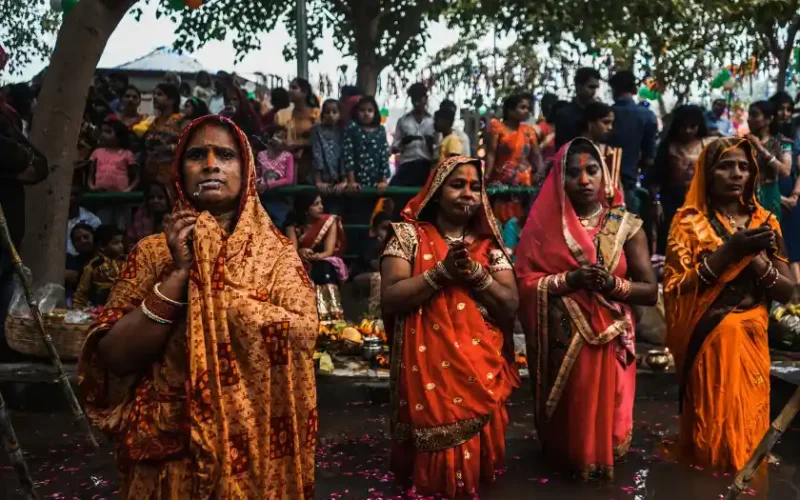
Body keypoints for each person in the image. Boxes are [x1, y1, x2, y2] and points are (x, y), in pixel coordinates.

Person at [78, 115, 319, 498]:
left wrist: (216, 292)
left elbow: (304, 334)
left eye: (225, 154)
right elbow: (113, 356)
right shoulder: (152, 254)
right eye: (196, 155)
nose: (210, 164)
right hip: (167, 456)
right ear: (180, 170)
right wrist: (180, 275)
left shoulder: (277, 258)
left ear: (247, 170)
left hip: (254, 454)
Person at [515, 138, 658, 480]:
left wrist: (613, 286)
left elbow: (650, 291)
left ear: (605, 175)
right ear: (559, 180)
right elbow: (524, 282)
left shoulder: (626, 225)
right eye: (574, 173)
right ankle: (571, 460)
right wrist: (572, 279)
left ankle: (599, 460)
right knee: (573, 415)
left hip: (612, 334)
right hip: (565, 338)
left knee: (609, 412)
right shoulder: (542, 227)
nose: (584, 180)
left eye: (592, 170)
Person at [380, 155, 521, 498]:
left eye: (475, 186)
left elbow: (509, 304)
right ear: (436, 192)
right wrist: (439, 274)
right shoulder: (408, 236)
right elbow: (392, 297)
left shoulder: (489, 246)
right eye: (457, 185)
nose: (467, 193)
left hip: (479, 364)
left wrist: (476, 274)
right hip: (429, 369)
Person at [663, 137, 796, 472]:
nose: (736, 173)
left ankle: (747, 476)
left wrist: (754, 261)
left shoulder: (766, 221)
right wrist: (728, 252)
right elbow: (674, 286)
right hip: (710, 338)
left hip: (753, 333)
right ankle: (708, 482)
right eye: (725, 165)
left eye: (743, 166)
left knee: (749, 419)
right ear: (708, 172)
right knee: (713, 428)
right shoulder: (688, 222)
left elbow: (788, 291)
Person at [647, 105, 709, 255]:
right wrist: (656, 202)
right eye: (683, 126)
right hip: (672, 200)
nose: (687, 131)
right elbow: (655, 178)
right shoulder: (668, 146)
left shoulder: (707, 145)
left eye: (692, 126)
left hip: (700, 200)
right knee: (670, 241)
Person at [285, 193, 348, 323]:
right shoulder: (292, 224)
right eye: (316, 204)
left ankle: (331, 317)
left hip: (322, 259)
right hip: (299, 259)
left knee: (325, 269)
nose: (321, 207)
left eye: (321, 203)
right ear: (305, 209)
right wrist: (301, 252)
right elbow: (293, 250)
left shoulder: (329, 221)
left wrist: (314, 256)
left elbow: (329, 251)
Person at [485, 92, 544, 223]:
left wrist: (540, 174)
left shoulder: (529, 131)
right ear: (510, 110)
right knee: (500, 217)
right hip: (500, 181)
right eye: (522, 107)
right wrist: (486, 177)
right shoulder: (497, 128)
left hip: (523, 182)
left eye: (528, 108)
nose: (527, 111)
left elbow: (537, 155)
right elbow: (491, 153)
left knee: (520, 218)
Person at [607, 70, 658, 212]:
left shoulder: (603, 115)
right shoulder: (647, 116)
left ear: (613, 90)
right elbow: (649, 159)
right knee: (627, 229)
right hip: (628, 185)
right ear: (634, 90)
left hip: (601, 184)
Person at [746, 100, 792, 220]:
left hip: (769, 195)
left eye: (754, 115)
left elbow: (785, 171)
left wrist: (760, 149)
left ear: (769, 119)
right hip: (746, 195)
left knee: (770, 233)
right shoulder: (743, 141)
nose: (748, 119)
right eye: (749, 114)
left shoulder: (782, 142)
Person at [136, 83, 183, 188]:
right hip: (151, 172)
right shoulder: (152, 121)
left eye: (159, 94)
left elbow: (187, 145)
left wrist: (168, 148)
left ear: (172, 100)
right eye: (154, 94)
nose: (155, 97)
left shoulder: (180, 120)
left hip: (172, 173)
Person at [391, 82, 436, 186]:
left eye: (419, 99)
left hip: (426, 166)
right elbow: (393, 148)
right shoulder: (403, 121)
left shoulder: (433, 122)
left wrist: (431, 145)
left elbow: (439, 148)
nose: (416, 103)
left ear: (425, 99)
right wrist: (403, 142)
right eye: (414, 99)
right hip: (407, 166)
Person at [277, 78, 320, 184]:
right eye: (289, 87)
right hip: (287, 164)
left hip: (312, 163)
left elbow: (321, 139)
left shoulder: (316, 114)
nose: (289, 90)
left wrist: (298, 143)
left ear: (305, 92)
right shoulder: (282, 115)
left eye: (294, 87)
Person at [343, 96, 390, 191]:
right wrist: (351, 181)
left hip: (376, 184)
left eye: (370, 110)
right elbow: (348, 156)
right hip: (355, 183)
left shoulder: (381, 130)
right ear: (356, 112)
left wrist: (384, 181)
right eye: (362, 110)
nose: (366, 113)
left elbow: (384, 156)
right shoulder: (352, 128)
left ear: (375, 112)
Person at [72, 225, 126, 309]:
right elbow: (81, 295)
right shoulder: (94, 266)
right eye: (115, 243)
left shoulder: (127, 262)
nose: (121, 246)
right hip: (101, 310)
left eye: (121, 242)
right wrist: (77, 313)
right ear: (102, 246)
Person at [256, 124, 295, 227]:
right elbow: (258, 174)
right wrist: (258, 183)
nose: (283, 141)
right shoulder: (261, 155)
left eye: (285, 138)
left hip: (281, 198)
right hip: (264, 199)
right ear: (269, 138)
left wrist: (269, 185)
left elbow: (289, 179)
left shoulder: (287, 156)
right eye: (280, 137)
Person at [554, 67, 601, 149]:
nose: (594, 92)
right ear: (578, 87)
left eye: (596, 88)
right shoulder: (565, 114)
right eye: (591, 87)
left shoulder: (598, 112)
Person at [88, 117, 139, 192]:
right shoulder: (97, 152)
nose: (103, 134)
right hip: (99, 194)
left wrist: (128, 189)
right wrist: (92, 187)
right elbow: (90, 174)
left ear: (119, 136)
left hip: (121, 194)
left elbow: (136, 176)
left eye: (108, 132)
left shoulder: (127, 154)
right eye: (103, 131)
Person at [581, 101, 623, 192]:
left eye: (611, 123)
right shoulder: (576, 150)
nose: (610, 127)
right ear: (590, 123)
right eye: (606, 122)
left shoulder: (608, 151)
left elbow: (616, 185)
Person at [311, 98, 346, 195]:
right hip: (323, 178)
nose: (331, 115)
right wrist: (318, 181)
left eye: (334, 112)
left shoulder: (343, 131)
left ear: (340, 114)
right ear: (322, 114)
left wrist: (344, 180)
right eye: (327, 112)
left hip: (340, 177)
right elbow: (317, 154)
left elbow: (345, 155)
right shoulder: (317, 130)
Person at [66, 182, 102, 257]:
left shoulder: (92, 220)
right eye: (68, 194)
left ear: (80, 196)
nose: (71, 198)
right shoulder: (52, 221)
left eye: (75, 194)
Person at [65, 223, 96, 298]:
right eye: (78, 239)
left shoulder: (104, 259)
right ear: (74, 245)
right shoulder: (71, 262)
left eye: (86, 237)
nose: (83, 241)